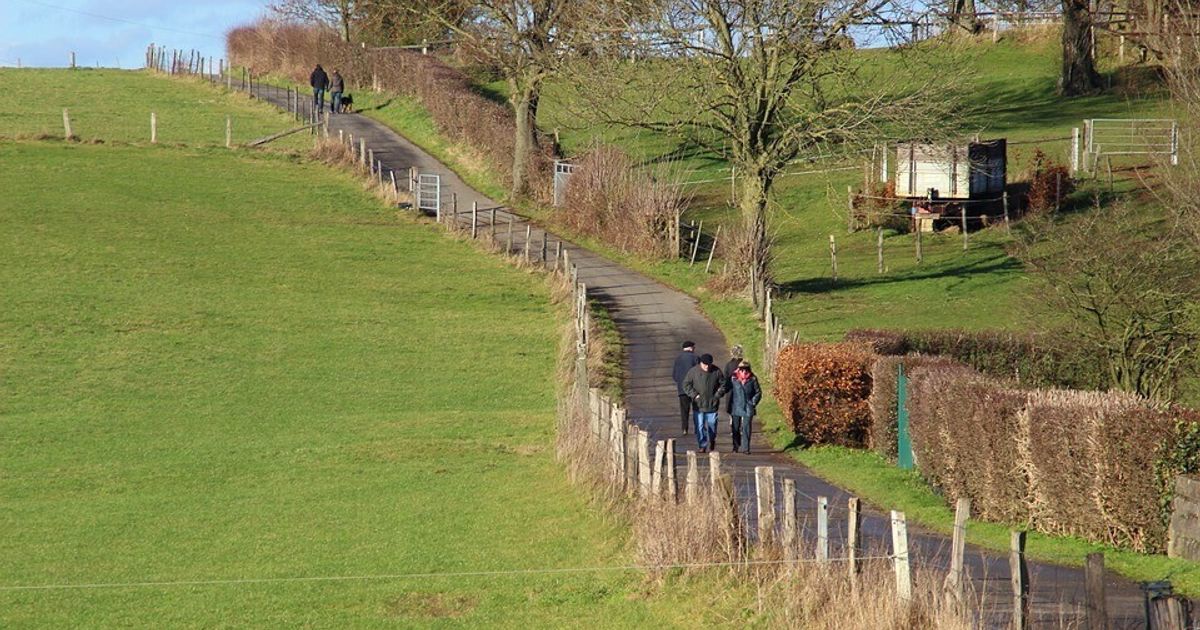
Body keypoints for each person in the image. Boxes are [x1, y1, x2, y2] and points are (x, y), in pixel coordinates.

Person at [683, 354, 726, 453]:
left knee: (712, 425)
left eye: (709, 365)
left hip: (712, 404)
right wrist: (694, 395)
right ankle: (702, 445)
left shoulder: (716, 371)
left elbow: (723, 384)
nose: (707, 367)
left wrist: (717, 395)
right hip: (698, 405)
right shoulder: (693, 372)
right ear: (701, 363)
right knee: (700, 426)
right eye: (705, 365)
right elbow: (686, 384)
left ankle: (712, 440)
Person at [728, 361, 762, 454]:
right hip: (736, 405)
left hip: (748, 406)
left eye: (746, 370)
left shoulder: (753, 379)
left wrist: (753, 402)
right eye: (742, 370)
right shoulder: (733, 378)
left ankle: (746, 448)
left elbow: (758, 392)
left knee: (746, 428)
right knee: (735, 427)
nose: (744, 372)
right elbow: (726, 388)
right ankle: (735, 446)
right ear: (739, 370)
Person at [672, 340, 700, 434]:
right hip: (695, 388)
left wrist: (680, 382)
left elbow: (674, 375)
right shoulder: (696, 358)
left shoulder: (678, 359)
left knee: (684, 410)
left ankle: (685, 428)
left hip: (682, 388)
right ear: (691, 348)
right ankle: (697, 428)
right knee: (697, 409)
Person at [722, 344, 744, 426]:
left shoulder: (729, 365)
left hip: (732, 389)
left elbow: (725, 378)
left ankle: (732, 420)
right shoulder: (744, 365)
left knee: (731, 405)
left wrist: (725, 388)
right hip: (742, 388)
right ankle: (741, 420)